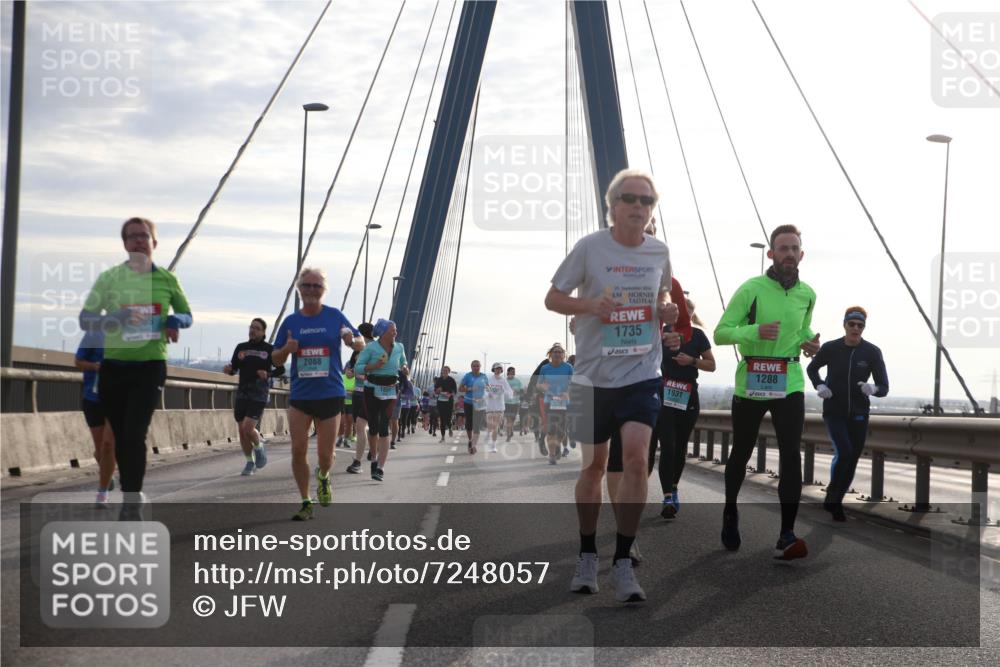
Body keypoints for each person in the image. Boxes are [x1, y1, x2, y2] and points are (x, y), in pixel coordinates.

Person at [545, 169, 678, 603]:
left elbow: (662, 296)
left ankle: (622, 561)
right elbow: (553, 298)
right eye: (630, 199)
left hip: (642, 374)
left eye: (646, 201)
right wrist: (590, 305)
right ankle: (587, 554)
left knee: (636, 461)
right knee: (594, 468)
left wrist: (666, 309)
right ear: (613, 205)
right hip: (591, 377)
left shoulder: (659, 251)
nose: (638, 207)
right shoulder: (590, 247)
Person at [714, 224, 820, 560]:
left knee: (791, 455)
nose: (789, 253)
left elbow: (801, 329)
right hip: (753, 379)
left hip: (789, 380)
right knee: (742, 451)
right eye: (783, 248)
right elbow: (721, 333)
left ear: (801, 254)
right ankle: (730, 511)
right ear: (772, 254)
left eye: (794, 248)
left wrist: (810, 342)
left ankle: (786, 535)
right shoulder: (751, 289)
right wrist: (755, 331)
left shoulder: (808, 294)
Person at [79, 217, 192, 518]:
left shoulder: (167, 279)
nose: (139, 241)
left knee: (134, 434)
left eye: (144, 236)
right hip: (114, 368)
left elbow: (187, 315)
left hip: (150, 367)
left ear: (154, 243)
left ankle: (131, 498)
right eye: (132, 237)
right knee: (120, 437)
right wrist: (116, 318)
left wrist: (174, 320)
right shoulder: (109, 278)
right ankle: (132, 494)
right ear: (125, 244)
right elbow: (86, 319)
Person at [273, 267, 364, 521]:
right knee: (298, 449)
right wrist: (287, 350)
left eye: (317, 286)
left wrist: (351, 340)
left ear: (324, 290)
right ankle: (305, 501)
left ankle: (323, 476)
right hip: (301, 395)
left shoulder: (334, 316)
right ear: (299, 289)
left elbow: (361, 342)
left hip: (330, 394)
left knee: (325, 455)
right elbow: (275, 357)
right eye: (307, 285)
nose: (311, 290)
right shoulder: (291, 322)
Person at [806, 306, 889, 521]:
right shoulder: (831, 348)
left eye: (860, 325)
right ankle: (833, 494)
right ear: (844, 325)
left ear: (863, 328)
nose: (856, 328)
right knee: (844, 452)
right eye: (852, 324)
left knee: (852, 459)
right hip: (834, 411)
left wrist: (873, 388)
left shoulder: (872, 352)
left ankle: (836, 501)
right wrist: (820, 385)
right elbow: (812, 369)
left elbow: (884, 387)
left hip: (859, 413)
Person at [651, 297, 715, 517]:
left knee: (679, 447)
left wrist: (692, 361)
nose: (681, 315)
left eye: (686, 312)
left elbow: (712, 365)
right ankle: (667, 496)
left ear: (691, 315)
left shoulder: (697, 335)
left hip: (688, 395)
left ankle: (674, 487)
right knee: (668, 445)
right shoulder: (660, 334)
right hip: (664, 393)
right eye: (678, 310)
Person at [224, 318, 282, 476]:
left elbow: (281, 370)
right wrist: (229, 370)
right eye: (251, 327)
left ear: (263, 332)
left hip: (259, 393)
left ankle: (259, 447)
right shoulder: (241, 347)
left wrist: (268, 374)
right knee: (242, 431)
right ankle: (250, 462)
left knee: (248, 428)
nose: (252, 330)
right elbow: (234, 368)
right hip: (242, 392)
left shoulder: (269, 349)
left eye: (256, 328)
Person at [353, 319, 407, 481]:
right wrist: (374, 366)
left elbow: (403, 362)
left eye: (395, 329)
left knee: (384, 427)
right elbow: (358, 368)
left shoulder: (399, 347)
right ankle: (374, 460)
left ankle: (380, 468)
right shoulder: (371, 348)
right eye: (392, 330)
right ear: (383, 333)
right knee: (374, 428)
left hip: (391, 389)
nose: (395, 332)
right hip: (372, 389)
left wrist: (405, 368)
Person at [74, 330, 116, 507]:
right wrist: (95, 366)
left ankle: (102, 493)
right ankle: (107, 474)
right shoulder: (94, 333)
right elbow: (78, 361)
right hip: (92, 398)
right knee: (100, 449)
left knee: (108, 445)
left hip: (116, 399)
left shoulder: (129, 334)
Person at [346, 322, 376, 471]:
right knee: (361, 425)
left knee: (360, 425)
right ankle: (372, 449)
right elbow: (351, 370)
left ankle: (358, 462)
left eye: (357, 333)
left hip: (370, 393)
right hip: (357, 392)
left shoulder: (375, 349)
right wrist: (350, 372)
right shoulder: (357, 350)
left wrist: (364, 376)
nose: (355, 336)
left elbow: (378, 371)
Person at [537, 344, 573, 465]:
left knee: (562, 431)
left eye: (560, 352)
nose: (557, 354)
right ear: (550, 354)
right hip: (550, 401)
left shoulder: (568, 367)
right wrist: (543, 387)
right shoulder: (545, 368)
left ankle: (557, 446)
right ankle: (551, 456)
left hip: (564, 402)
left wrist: (567, 392)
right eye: (555, 352)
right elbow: (539, 384)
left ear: (563, 355)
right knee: (551, 429)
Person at [484, 362, 514, 453]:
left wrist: (505, 392)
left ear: (501, 370)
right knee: (490, 425)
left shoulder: (503, 380)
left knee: (495, 426)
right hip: (490, 406)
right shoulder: (489, 379)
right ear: (493, 369)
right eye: (496, 368)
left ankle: (493, 446)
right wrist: (488, 394)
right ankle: (488, 433)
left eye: (500, 369)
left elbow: (509, 392)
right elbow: (485, 390)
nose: (498, 370)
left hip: (500, 407)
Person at [459, 360, 488, 454]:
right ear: (471, 367)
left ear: (480, 367)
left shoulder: (484, 376)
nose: (476, 368)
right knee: (469, 424)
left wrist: (488, 390)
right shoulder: (467, 376)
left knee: (477, 426)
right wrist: (470, 388)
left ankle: (473, 444)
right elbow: (460, 388)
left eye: (477, 366)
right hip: (469, 402)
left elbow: (488, 388)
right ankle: (470, 440)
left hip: (480, 404)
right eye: (474, 366)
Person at [434, 366, 457, 442]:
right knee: (442, 419)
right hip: (440, 401)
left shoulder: (451, 380)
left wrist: (450, 394)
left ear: (449, 371)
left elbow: (455, 391)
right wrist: (438, 390)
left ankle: (450, 428)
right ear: (442, 371)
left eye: (446, 370)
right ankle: (443, 437)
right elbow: (435, 391)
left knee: (448, 418)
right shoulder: (439, 380)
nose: (445, 371)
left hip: (449, 401)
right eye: (443, 370)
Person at [504, 366, 523, 441]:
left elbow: (522, 392)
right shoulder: (504, 381)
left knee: (512, 419)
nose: (513, 373)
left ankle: (511, 430)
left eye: (514, 372)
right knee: (508, 419)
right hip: (506, 402)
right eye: (512, 372)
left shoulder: (518, 381)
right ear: (508, 372)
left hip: (515, 403)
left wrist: (517, 392)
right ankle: (508, 435)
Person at [338, 366, 356, 448]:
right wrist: (349, 391)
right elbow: (339, 389)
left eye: (351, 371)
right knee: (341, 422)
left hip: (352, 404)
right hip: (342, 403)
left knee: (349, 422)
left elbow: (355, 391)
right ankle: (340, 437)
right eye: (348, 370)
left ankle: (346, 439)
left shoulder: (356, 380)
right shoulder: (341, 377)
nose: (349, 372)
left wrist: (349, 392)